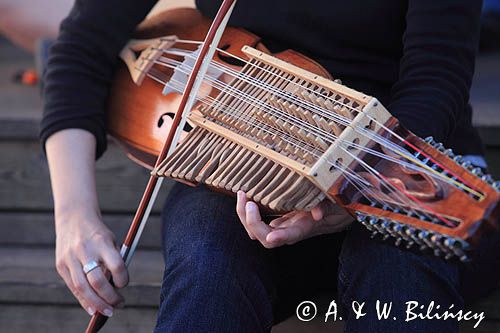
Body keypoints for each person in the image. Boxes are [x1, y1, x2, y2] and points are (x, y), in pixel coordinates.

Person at [41, 0, 499, 332]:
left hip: (401, 149)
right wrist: (74, 216)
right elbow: (82, 47)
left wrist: (355, 193)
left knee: (399, 275)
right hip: (233, 144)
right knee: (208, 263)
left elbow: (435, 74)